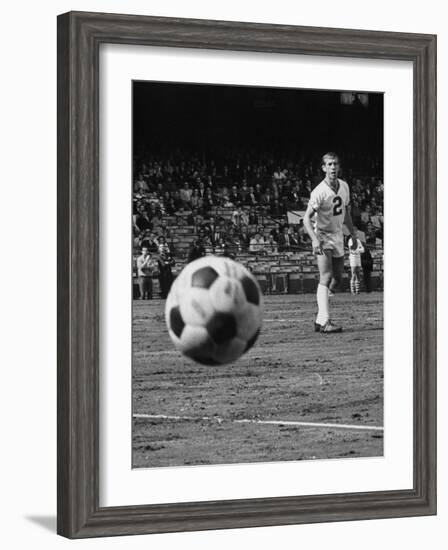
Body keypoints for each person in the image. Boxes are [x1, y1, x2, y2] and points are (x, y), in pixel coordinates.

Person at [303, 152, 358, 333]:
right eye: (329, 164)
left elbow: (346, 213)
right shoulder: (319, 191)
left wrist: (353, 233)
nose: (333, 167)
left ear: (339, 167)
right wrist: (314, 240)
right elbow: (306, 219)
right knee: (325, 277)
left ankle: (320, 318)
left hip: (338, 235)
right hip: (323, 236)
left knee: (337, 279)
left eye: (335, 164)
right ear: (323, 168)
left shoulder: (344, 186)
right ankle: (325, 321)